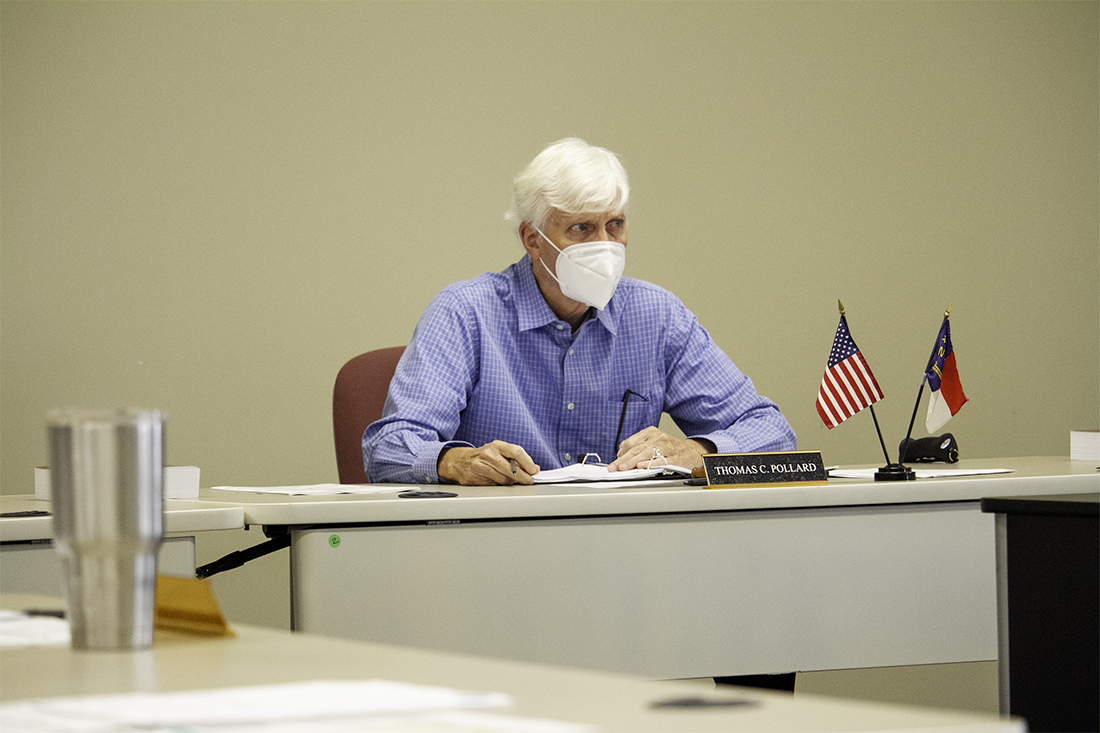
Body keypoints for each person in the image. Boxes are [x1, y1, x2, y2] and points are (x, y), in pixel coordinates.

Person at [363, 138, 796, 486]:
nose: (604, 244)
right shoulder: (465, 313)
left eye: (616, 225)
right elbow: (388, 448)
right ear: (532, 240)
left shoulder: (657, 316)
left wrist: (699, 452)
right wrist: (456, 461)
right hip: (495, 546)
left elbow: (773, 434)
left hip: (624, 552)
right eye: (581, 228)